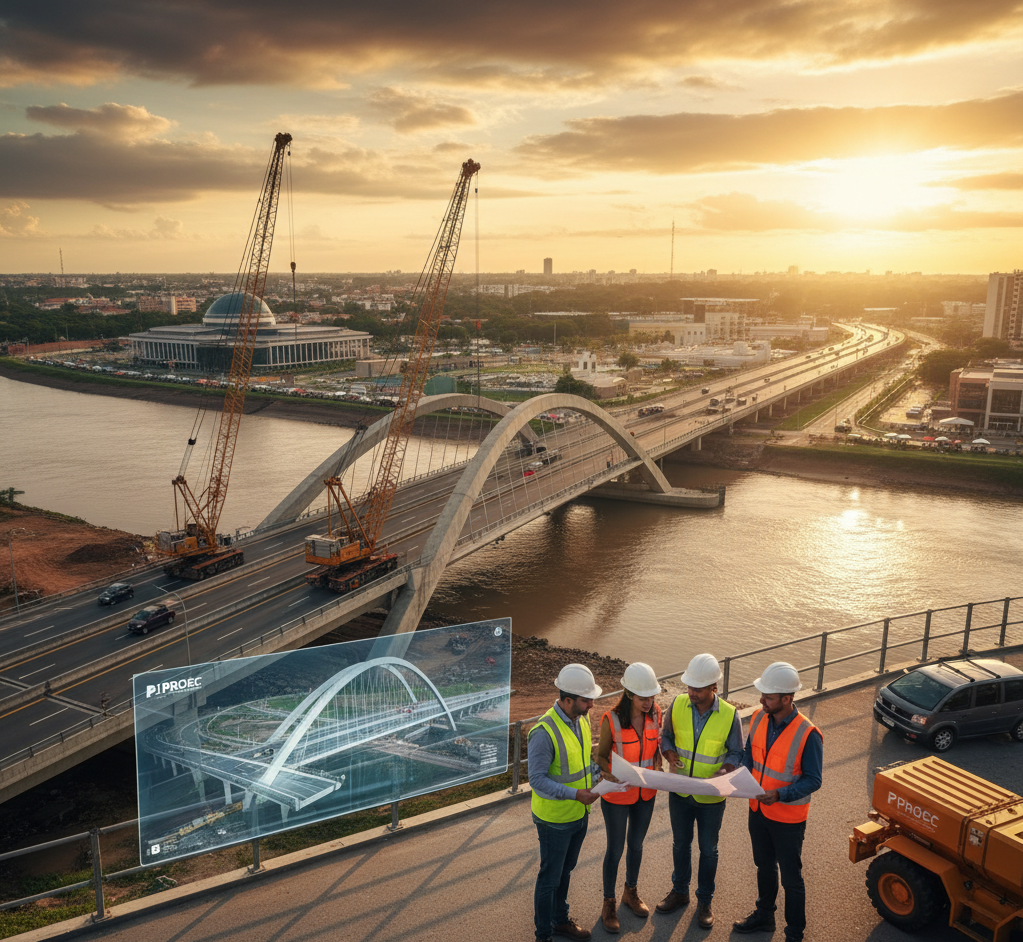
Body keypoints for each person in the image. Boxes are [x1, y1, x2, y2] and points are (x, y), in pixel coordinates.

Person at [733, 661, 823, 942]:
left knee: (791, 879)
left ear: (787, 698)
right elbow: (749, 755)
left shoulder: (808, 733)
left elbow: (813, 779)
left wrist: (780, 795)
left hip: (788, 819)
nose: (761, 700)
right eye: (762, 695)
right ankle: (764, 916)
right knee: (764, 866)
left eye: (768, 697)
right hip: (758, 810)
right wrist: (738, 775)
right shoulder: (759, 717)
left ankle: (794, 933)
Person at [656, 652, 744, 930]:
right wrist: (668, 752)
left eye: (698, 688)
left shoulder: (730, 714)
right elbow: (665, 736)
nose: (691, 692)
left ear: (713, 687)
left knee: (708, 850)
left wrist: (726, 769)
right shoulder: (678, 704)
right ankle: (679, 891)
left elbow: (737, 752)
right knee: (680, 845)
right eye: (689, 687)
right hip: (680, 791)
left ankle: (704, 901)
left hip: (711, 797)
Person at [528, 663, 602, 942]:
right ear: (568, 699)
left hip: (578, 813)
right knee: (549, 879)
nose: (592, 705)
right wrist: (575, 794)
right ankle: (543, 935)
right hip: (554, 820)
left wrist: (602, 774)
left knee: (565, 872)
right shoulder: (543, 732)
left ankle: (560, 921)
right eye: (586, 700)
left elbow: (582, 763)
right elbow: (536, 780)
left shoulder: (581, 719)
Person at [594, 662, 663, 933]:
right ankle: (609, 902)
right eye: (643, 697)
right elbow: (601, 756)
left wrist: (661, 760)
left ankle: (630, 892)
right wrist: (608, 772)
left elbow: (656, 747)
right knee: (615, 849)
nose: (648, 702)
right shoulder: (610, 719)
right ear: (629, 693)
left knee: (636, 845)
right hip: (618, 795)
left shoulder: (656, 713)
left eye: (651, 696)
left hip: (646, 793)